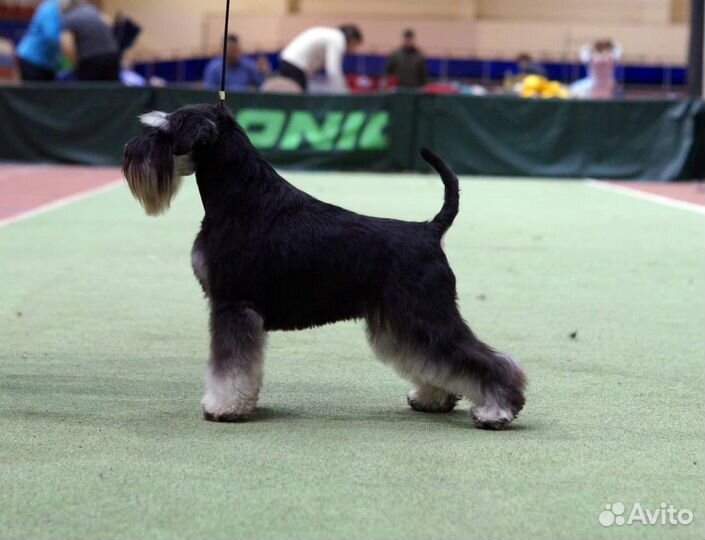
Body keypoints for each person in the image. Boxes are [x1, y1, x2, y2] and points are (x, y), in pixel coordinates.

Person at [279, 24, 363, 92]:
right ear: (352, 39)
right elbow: (333, 71)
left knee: (293, 98)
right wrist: (344, 93)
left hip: (289, 61)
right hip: (294, 65)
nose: (353, 49)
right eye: (355, 45)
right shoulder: (338, 39)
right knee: (298, 101)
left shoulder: (331, 35)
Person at [60, 0, 120, 81]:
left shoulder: (68, 18)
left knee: (88, 91)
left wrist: (76, 63)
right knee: (111, 89)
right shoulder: (91, 10)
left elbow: (67, 46)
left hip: (90, 59)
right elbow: (110, 23)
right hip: (112, 56)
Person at [15, 0, 69, 81]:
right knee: (34, 93)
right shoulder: (50, 8)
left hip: (48, 64)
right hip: (32, 60)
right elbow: (51, 37)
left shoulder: (63, 8)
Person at [203, 34, 267, 91]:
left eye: (235, 49)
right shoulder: (213, 69)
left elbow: (260, 85)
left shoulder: (248, 66)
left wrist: (262, 72)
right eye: (230, 49)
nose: (233, 53)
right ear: (223, 50)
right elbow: (209, 91)